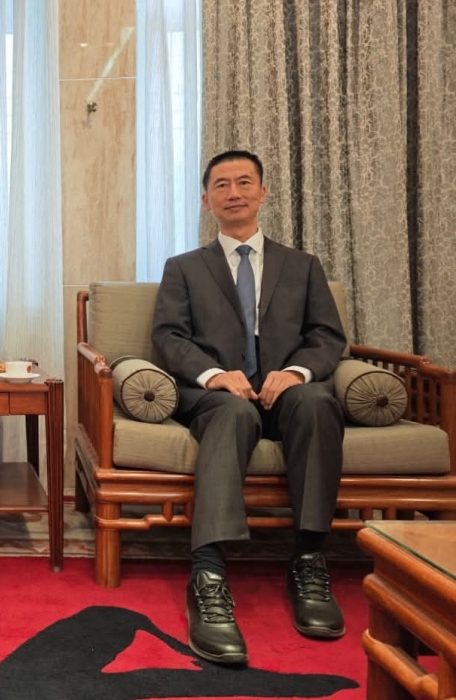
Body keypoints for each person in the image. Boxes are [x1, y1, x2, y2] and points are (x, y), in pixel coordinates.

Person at [151, 150, 347, 665]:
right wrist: (215, 375)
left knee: (317, 403)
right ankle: (208, 573)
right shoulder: (183, 268)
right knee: (232, 413)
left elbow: (328, 336)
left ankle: (309, 559)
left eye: (244, 183)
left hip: (286, 393)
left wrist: (297, 372)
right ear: (206, 200)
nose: (233, 193)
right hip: (215, 396)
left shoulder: (303, 266)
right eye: (221, 185)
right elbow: (168, 337)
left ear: (262, 193)